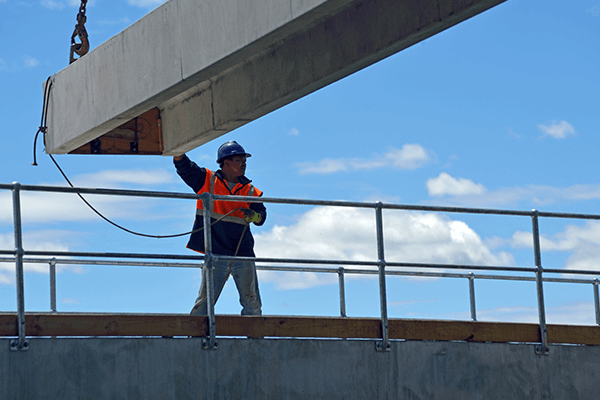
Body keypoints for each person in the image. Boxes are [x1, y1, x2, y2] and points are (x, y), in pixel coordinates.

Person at [173, 140, 266, 316]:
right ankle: (195, 338)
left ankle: (255, 341)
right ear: (225, 162)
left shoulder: (250, 191)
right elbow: (185, 168)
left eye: (244, 161)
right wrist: (177, 151)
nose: (244, 164)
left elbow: (261, 216)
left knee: (251, 301)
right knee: (205, 302)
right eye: (239, 160)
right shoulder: (207, 180)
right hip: (216, 252)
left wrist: (254, 216)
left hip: (242, 253)